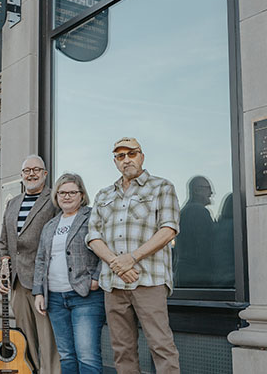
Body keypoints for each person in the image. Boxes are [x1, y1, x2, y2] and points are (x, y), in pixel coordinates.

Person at [86, 137, 181, 374]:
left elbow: (168, 228)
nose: (126, 159)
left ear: (142, 156)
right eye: (120, 156)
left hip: (148, 280)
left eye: (132, 154)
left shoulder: (162, 187)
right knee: (122, 350)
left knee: (161, 346)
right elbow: (92, 236)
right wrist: (118, 264)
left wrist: (132, 258)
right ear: (115, 161)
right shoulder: (104, 194)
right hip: (114, 284)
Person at [32, 173, 104, 374]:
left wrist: (96, 278)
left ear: (81, 195)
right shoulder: (51, 225)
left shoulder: (92, 217)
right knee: (66, 356)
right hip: (55, 298)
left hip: (85, 297)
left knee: (87, 357)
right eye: (62, 192)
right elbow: (41, 259)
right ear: (56, 196)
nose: (67, 196)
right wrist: (39, 292)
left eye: (72, 192)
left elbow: (107, 248)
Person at [0, 155, 61, 374]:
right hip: (17, 282)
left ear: (45, 173)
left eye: (36, 169)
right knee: (25, 337)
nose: (31, 174)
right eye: (26, 170)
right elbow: (4, 243)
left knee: (48, 337)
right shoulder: (12, 203)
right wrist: (0, 273)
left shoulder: (54, 200)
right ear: (22, 175)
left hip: (44, 281)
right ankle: (30, 370)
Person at [174, 175, 215, 287]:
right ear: (197, 190)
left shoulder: (184, 211)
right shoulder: (199, 212)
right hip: (198, 275)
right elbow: (206, 246)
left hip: (185, 273)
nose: (211, 193)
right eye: (207, 188)